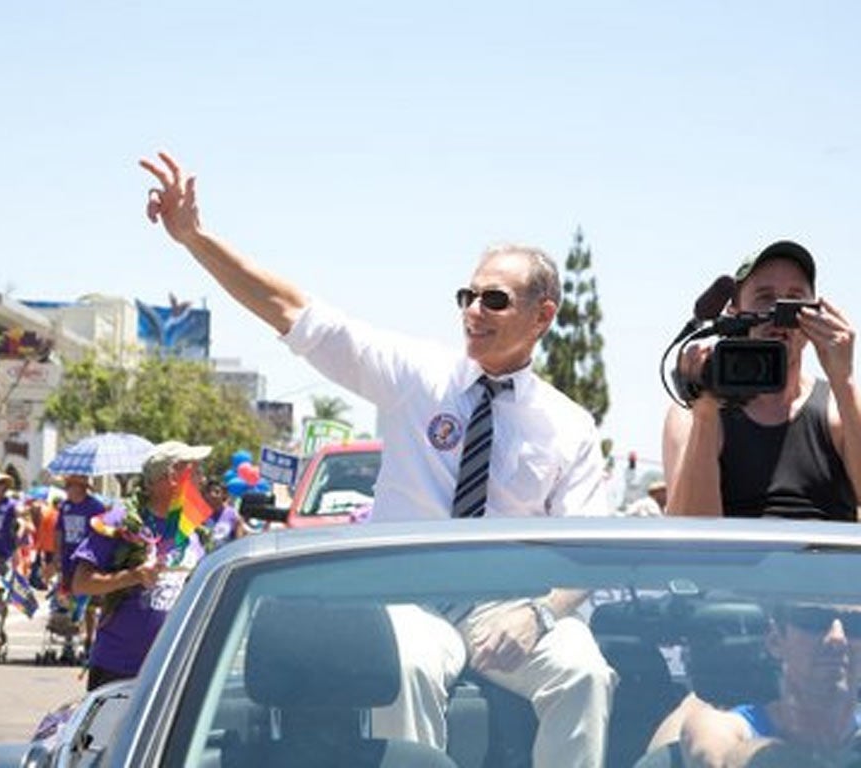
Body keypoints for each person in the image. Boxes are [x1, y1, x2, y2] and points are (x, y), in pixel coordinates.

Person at [140, 151, 616, 766]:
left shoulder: (569, 425)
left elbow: (584, 552)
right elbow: (293, 312)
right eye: (466, 296)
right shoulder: (416, 375)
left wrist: (538, 614)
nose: (473, 311)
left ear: (543, 315)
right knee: (408, 665)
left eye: (493, 300)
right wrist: (194, 239)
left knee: (585, 674)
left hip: (508, 609)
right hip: (407, 596)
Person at [663, 240, 861, 519]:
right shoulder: (690, 415)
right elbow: (692, 535)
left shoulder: (838, 410)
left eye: (794, 299)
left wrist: (844, 379)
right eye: (764, 297)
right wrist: (706, 411)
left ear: (816, 313)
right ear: (734, 315)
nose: (779, 314)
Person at [71, 440, 211, 691]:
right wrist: (133, 576)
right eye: (195, 471)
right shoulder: (119, 520)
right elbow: (81, 584)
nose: (202, 479)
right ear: (171, 476)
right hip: (120, 669)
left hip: (175, 671)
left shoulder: (193, 526)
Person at [678, 601, 861, 768]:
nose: (838, 638)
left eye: (856, 624)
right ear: (775, 641)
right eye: (814, 620)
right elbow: (714, 753)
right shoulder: (730, 726)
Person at [55, 474, 105, 653]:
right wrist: (57, 555)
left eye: (72, 486)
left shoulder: (95, 507)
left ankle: (90, 640)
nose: (69, 489)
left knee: (90, 602)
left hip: (88, 560)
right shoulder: (65, 506)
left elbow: (101, 532)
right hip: (69, 558)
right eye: (68, 486)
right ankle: (69, 639)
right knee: (68, 600)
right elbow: (59, 531)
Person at [200, 478, 246, 551]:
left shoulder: (233, 515)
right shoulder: (198, 513)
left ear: (224, 495)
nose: (212, 495)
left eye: (217, 492)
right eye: (209, 491)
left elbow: (238, 546)